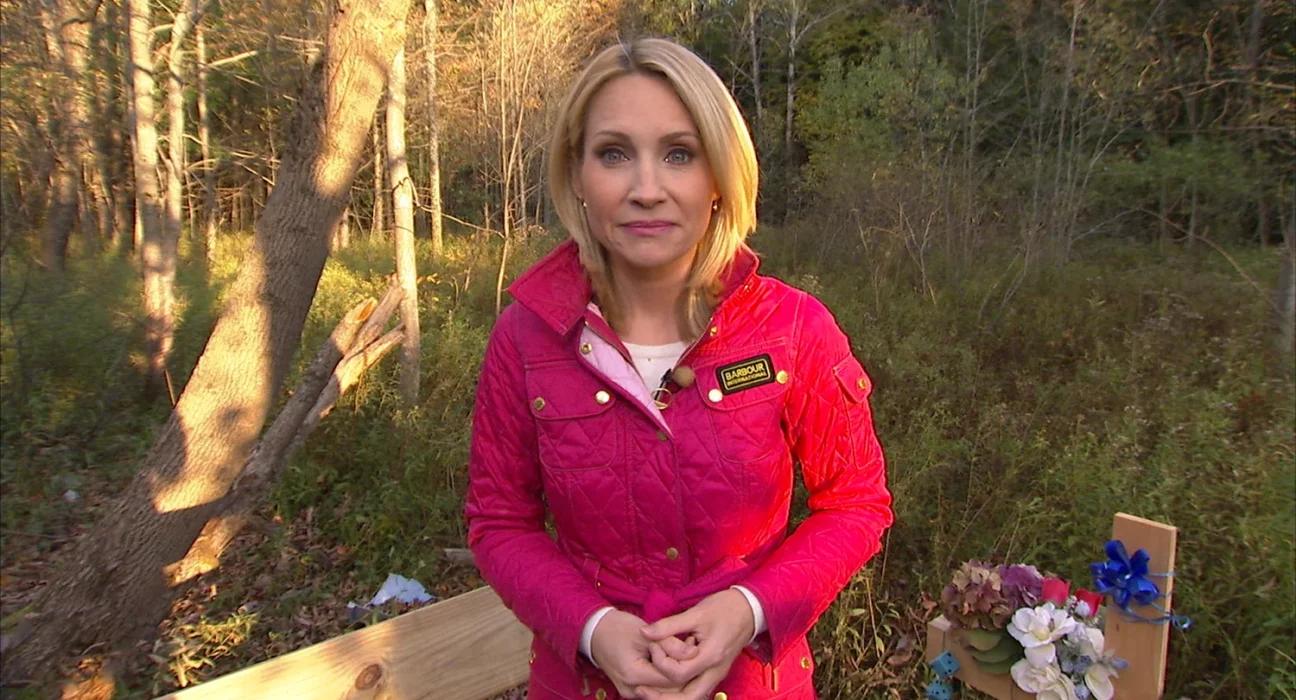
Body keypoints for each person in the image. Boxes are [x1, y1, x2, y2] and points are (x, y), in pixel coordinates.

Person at [465, 37, 892, 700]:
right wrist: (593, 629)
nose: (646, 190)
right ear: (577, 176)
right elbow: (500, 521)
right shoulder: (526, 338)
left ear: (720, 176)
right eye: (614, 154)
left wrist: (749, 609)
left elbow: (856, 502)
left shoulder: (794, 329)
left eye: (679, 154)